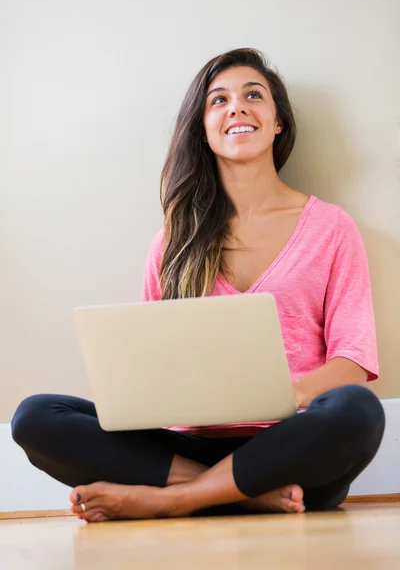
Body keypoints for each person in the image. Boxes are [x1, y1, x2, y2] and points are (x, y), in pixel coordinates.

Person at [11, 48, 385, 523]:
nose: (237, 107)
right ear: (205, 131)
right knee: (36, 417)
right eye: (219, 100)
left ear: (278, 123)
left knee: (358, 411)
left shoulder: (331, 227)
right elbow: (148, 370)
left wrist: (283, 394)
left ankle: (173, 501)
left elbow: (352, 364)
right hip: (183, 450)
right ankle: (238, 493)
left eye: (254, 95)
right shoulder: (173, 241)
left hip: (292, 446)